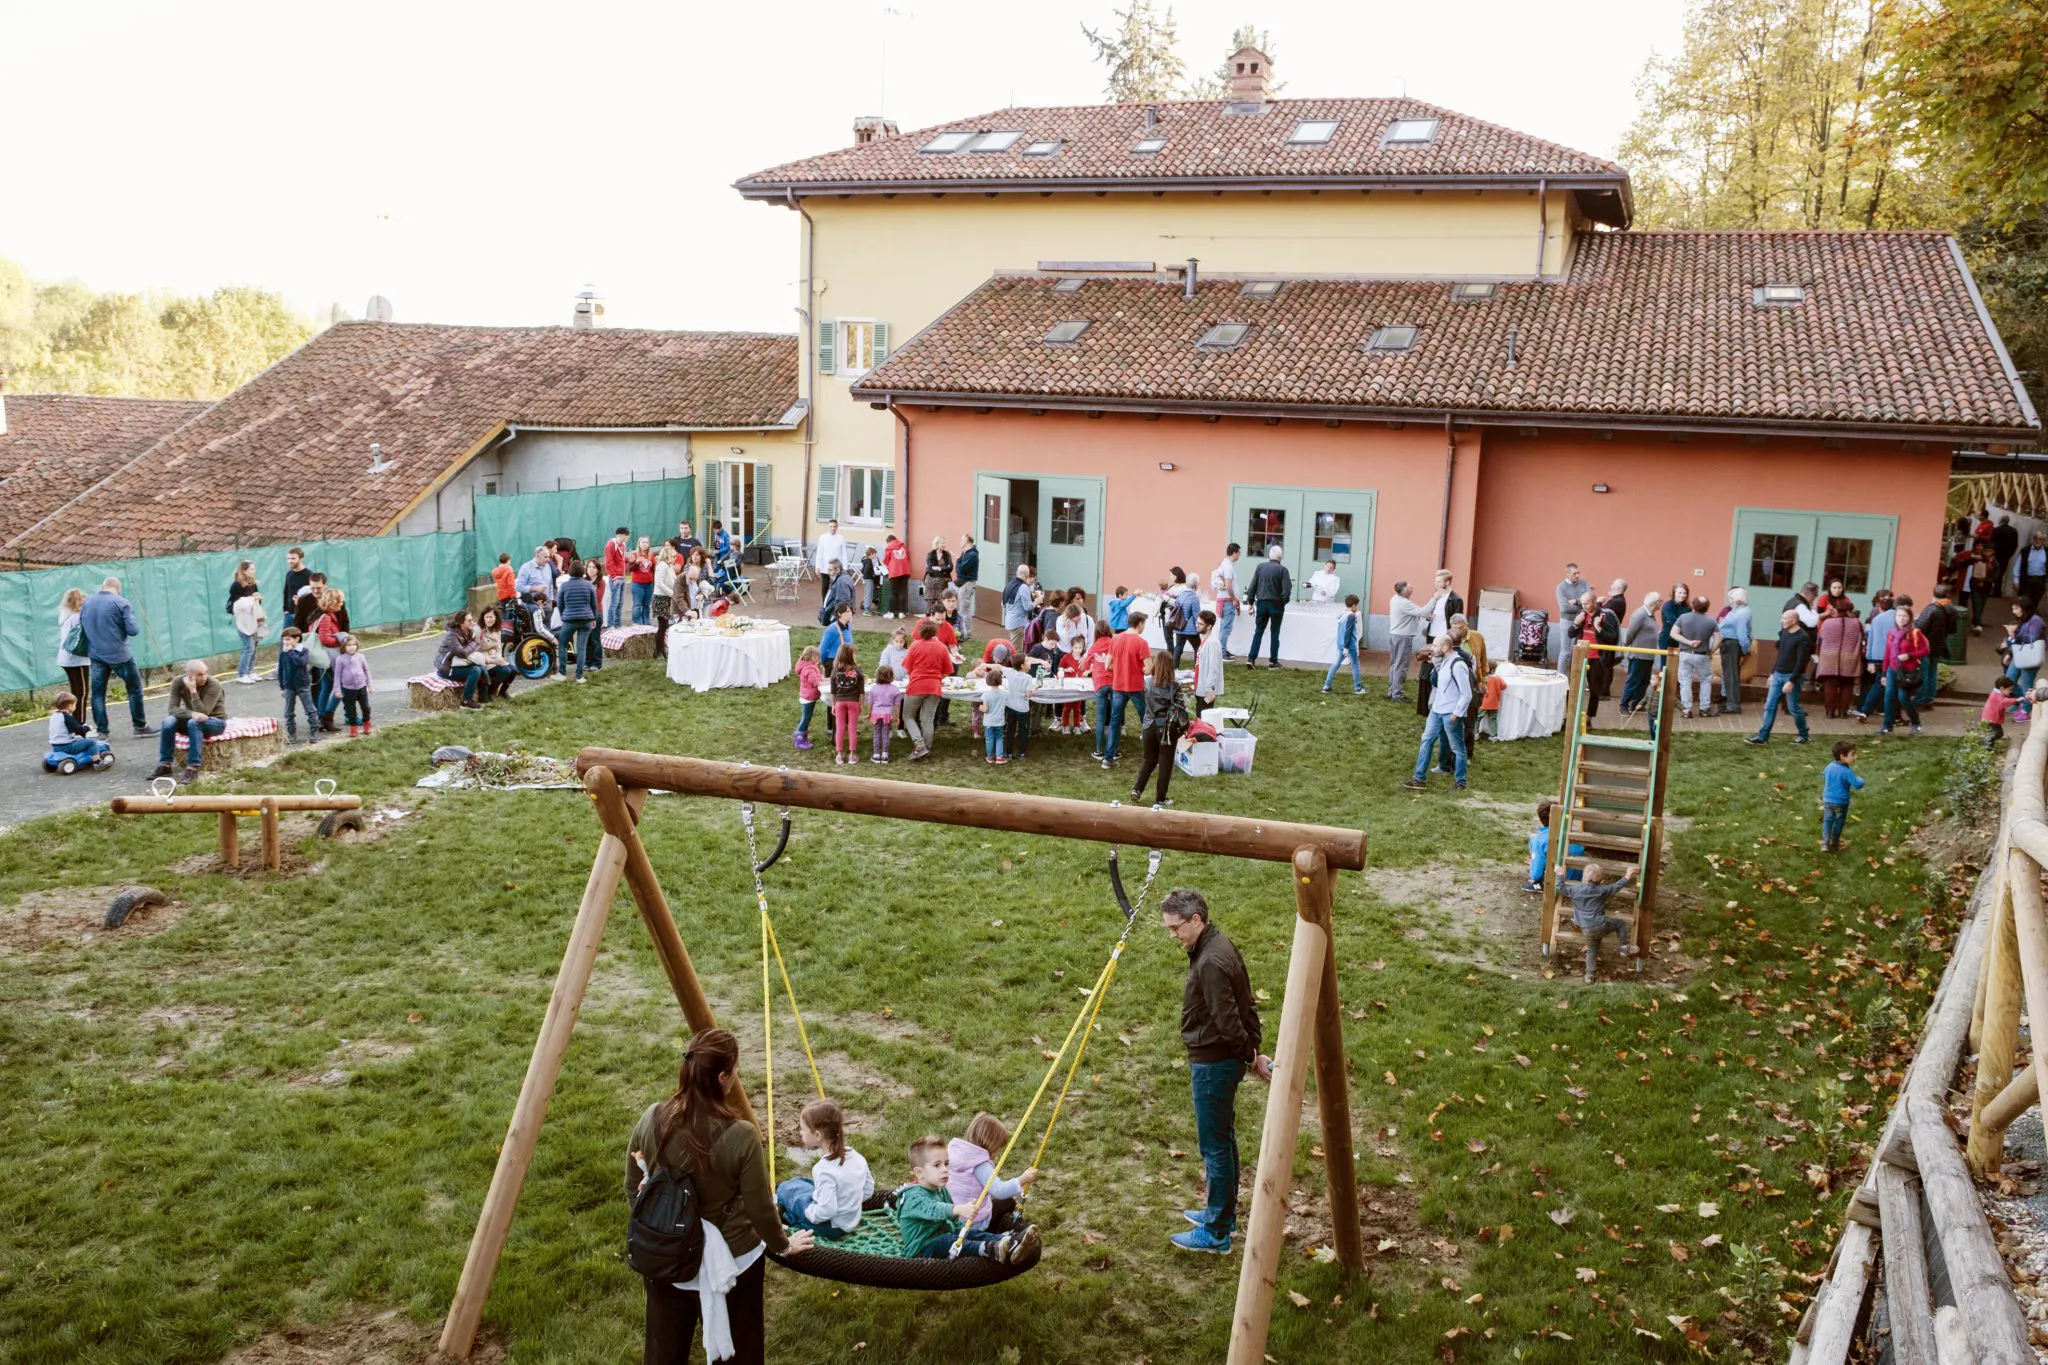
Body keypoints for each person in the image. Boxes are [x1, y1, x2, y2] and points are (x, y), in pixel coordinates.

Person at [629, 1029, 813, 1365]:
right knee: (740, 1353)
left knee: (663, 1353)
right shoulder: (741, 1135)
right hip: (733, 1261)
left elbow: (633, 1187)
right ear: (724, 1077)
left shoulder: (652, 1117)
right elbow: (760, 1210)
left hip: (666, 1257)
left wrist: (660, 1231)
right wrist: (784, 1245)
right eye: (736, 1071)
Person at [1161, 888, 1270, 1254]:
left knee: (1215, 1146)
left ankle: (1218, 1231)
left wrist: (1250, 1056)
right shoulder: (1218, 944)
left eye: (1176, 928)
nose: (1172, 936)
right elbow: (1244, 1004)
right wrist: (1251, 1051)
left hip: (1213, 1063)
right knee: (1223, 1139)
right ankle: (1221, 1214)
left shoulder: (1209, 961)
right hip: (1221, 1058)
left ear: (1196, 920)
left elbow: (1227, 1020)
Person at [898, 1136, 1033, 1263]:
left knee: (969, 1234)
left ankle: (1009, 1242)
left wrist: (963, 1231)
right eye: (937, 1165)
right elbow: (933, 1209)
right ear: (919, 1172)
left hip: (943, 1238)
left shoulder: (941, 1190)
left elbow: (953, 1222)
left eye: (946, 1163)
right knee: (948, 1240)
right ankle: (990, 1249)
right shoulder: (913, 1196)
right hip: (922, 1250)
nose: (945, 1169)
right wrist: (958, 1209)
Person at [774, 1098, 872, 1240]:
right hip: (850, 1221)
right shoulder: (856, 1156)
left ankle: (789, 1216)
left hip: (830, 1227)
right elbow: (868, 1189)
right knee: (800, 1182)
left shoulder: (823, 1169)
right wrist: (849, 1202)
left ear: (817, 1135)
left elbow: (827, 1210)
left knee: (786, 1190)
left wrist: (809, 1212)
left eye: (802, 1129)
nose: (800, 1132)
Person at [947, 1113, 1039, 1236]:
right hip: (971, 1222)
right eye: (998, 1148)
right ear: (989, 1144)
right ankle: (997, 1232)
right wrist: (1022, 1179)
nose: (997, 1153)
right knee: (1009, 1203)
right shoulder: (980, 1164)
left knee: (994, 1202)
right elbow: (998, 1190)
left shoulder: (954, 1152)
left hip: (950, 1216)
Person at [81, 576, 149, 739]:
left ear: (102, 586)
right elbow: (133, 630)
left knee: (98, 694)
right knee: (134, 689)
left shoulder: (87, 602)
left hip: (96, 654)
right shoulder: (121, 602)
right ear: (118, 588)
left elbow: (82, 626)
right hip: (120, 654)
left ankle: (102, 730)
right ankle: (139, 726)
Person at [1403, 635, 1472, 791]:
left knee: (1457, 748)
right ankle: (1419, 778)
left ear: (1446, 648)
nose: (1432, 649)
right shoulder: (1444, 661)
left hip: (1450, 713)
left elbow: (1466, 694)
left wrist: (1456, 714)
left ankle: (1460, 782)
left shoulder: (1458, 664)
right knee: (1426, 741)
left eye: (1435, 646)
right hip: (1436, 711)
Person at [150, 659, 227, 782]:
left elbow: (204, 713)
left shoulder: (214, 685)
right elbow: (172, 709)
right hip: (193, 719)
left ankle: (193, 768)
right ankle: (165, 765)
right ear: (189, 676)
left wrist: (193, 691)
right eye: (200, 674)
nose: (204, 677)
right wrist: (191, 713)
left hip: (215, 722)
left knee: (194, 723)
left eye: (206, 673)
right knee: (168, 721)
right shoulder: (178, 682)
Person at [1746, 610, 1814, 745]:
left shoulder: (1803, 637)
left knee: (1793, 708)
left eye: (1784, 618)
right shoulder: (1784, 633)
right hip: (1778, 675)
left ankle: (1803, 735)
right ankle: (1762, 737)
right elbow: (1781, 656)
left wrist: (1791, 681)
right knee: (1769, 706)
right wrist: (1772, 673)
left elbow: (1802, 662)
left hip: (1792, 677)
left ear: (1794, 621)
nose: (1781, 620)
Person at [1563, 862, 1637, 983]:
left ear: (1583, 877)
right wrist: (1628, 875)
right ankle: (1624, 948)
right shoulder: (1602, 890)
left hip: (1585, 928)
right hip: (1600, 924)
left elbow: (1561, 888)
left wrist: (1560, 874)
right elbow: (1616, 887)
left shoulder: (1574, 890)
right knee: (1620, 924)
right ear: (1601, 881)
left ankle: (1589, 975)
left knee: (1592, 948)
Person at [1130, 649, 1184, 808]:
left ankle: (1137, 789)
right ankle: (1160, 798)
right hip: (1166, 730)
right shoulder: (1174, 687)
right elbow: (1181, 709)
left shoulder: (1147, 682)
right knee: (1165, 762)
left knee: (1149, 760)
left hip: (1148, 726)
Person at [1103, 610, 1152, 768]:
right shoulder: (1142, 643)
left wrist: (1120, 668)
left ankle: (1108, 758)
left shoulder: (1115, 639)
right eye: (1144, 623)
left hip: (1118, 686)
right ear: (1140, 624)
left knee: (1115, 721)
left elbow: (1107, 665)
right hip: (1136, 687)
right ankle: (1151, 755)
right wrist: (1137, 670)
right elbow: (1149, 669)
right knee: (1146, 720)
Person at [901, 620, 952, 761]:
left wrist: (914, 676)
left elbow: (908, 667)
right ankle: (926, 749)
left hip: (916, 685)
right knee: (927, 719)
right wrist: (937, 678)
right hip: (934, 687)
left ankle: (919, 745)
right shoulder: (942, 648)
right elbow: (948, 670)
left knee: (908, 716)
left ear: (920, 632)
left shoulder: (915, 646)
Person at [1878, 604, 1929, 735]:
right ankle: (1887, 726)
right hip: (1892, 669)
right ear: (1895, 618)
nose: (1901, 619)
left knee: (1903, 698)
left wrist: (1910, 655)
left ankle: (1916, 723)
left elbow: (1926, 650)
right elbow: (1887, 654)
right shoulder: (1891, 633)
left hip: (1908, 670)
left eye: (1905, 616)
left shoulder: (1915, 633)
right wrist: (1884, 673)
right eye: (1899, 616)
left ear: (1910, 618)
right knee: (1888, 697)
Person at [1671, 592, 1720, 719]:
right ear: (1707, 607)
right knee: (1706, 680)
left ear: (1693, 605)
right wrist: (1711, 651)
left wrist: (1688, 642)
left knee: (1685, 681)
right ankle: (1704, 709)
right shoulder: (1711, 621)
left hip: (1685, 653)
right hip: (1702, 655)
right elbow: (1719, 639)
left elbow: (1673, 633)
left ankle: (1686, 709)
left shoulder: (1683, 617)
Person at [1815, 601, 1866, 719]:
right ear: (1850, 610)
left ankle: (1830, 712)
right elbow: (1863, 638)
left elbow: (1821, 639)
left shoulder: (1827, 623)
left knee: (1830, 685)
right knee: (1847, 685)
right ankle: (1843, 712)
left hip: (1829, 657)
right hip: (1849, 657)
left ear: (1836, 610)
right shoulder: (1857, 623)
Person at [1523, 799, 1584, 894]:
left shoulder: (1539, 840)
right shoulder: (1573, 836)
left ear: (1541, 819)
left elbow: (1535, 875)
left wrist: (1533, 865)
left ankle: (1539, 884)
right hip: (1577, 882)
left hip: (1558, 882)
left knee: (1538, 861)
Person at [1245, 545, 1291, 668]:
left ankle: (1251, 658)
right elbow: (1286, 591)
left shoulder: (1260, 567)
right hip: (1276, 603)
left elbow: (1253, 585)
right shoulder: (1283, 570)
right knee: (1274, 633)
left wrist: (1250, 601)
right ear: (1281, 557)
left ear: (1269, 555)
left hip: (1261, 602)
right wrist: (1283, 602)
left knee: (1258, 631)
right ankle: (1273, 661)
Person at [1617, 591, 1663, 715]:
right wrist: (1627, 645)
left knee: (1643, 682)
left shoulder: (1651, 615)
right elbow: (1630, 633)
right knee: (1633, 681)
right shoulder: (1640, 614)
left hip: (1648, 655)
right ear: (1655, 603)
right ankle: (1623, 705)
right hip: (1639, 654)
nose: (1661, 603)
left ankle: (1636, 704)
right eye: (1660, 601)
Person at [555, 564, 601, 683]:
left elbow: (559, 604)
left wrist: (563, 615)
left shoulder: (564, 586)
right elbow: (594, 604)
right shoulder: (589, 585)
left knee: (562, 645)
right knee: (581, 647)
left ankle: (562, 672)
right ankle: (579, 676)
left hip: (569, 619)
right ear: (583, 572)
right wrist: (594, 618)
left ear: (570, 572)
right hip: (586, 619)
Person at [434, 611, 488, 709]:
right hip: (446, 668)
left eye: (472, 619)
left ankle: (483, 697)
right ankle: (466, 701)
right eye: (469, 620)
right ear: (461, 623)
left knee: (481, 667)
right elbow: (462, 653)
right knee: (475, 670)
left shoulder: (470, 632)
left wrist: (473, 645)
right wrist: (474, 644)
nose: (473, 622)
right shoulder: (451, 635)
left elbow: (476, 647)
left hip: (458, 663)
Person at [1385, 580, 1429, 702]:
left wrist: (1422, 615)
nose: (1412, 589)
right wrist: (1434, 599)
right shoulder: (1404, 603)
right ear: (1404, 591)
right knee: (1401, 666)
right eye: (1409, 587)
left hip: (1395, 635)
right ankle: (1397, 694)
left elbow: (1413, 613)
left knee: (1394, 664)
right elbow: (1422, 611)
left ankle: (1392, 691)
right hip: (1403, 637)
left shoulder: (1395, 599)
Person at [1915, 589, 1957, 709]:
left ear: (1933, 595)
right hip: (1939, 646)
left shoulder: (1931, 608)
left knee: (1924, 673)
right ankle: (1929, 700)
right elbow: (1953, 630)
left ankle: (1920, 700)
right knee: (1932, 673)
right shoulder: (1952, 609)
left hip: (1926, 646)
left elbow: (1919, 627)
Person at [1820, 741, 1865, 853]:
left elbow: (1824, 776)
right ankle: (1834, 843)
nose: (1855, 757)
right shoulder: (1846, 771)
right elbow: (1857, 785)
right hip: (1841, 802)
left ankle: (1825, 844)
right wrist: (1861, 780)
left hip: (1827, 800)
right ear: (1842, 756)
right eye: (1853, 754)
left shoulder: (1829, 766)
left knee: (1828, 820)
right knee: (1839, 821)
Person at [277, 627, 318, 743]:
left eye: (288, 639)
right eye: (283, 639)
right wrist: (282, 687)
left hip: (303, 685)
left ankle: (314, 732)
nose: (285, 642)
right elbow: (281, 671)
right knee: (288, 712)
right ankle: (292, 734)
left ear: (297, 639)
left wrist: (290, 652)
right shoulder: (283, 654)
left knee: (310, 710)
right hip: (289, 686)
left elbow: (300, 662)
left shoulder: (303, 650)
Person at [47, 693, 108, 769]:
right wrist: (87, 728)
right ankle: (98, 762)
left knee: (78, 738)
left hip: (56, 746)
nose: (75, 706)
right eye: (75, 704)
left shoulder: (54, 716)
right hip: (67, 746)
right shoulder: (67, 717)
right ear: (70, 706)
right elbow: (78, 729)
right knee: (91, 742)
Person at [1718, 588, 1753, 715]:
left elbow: (1742, 634)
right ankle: (1730, 702)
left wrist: (1744, 649)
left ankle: (1733, 705)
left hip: (1733, 644)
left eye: (1731, 598)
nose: (1729, 601)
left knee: (1731, 675)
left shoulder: (1742, 613)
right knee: (1729, 675)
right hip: (1730, 644)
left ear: (1738, 600)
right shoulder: (1737, 610)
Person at [828, 645, 864, 766]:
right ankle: (852, 755)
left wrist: (833, 704)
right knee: (852, 728)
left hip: (839, 703)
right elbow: (861, 691)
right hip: (853, 702)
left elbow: (832, 691)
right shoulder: (858, 671)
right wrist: (861, 705)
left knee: (840, 728)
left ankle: (839, 754)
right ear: (851, 656)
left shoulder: (834, 671)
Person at [332, 634, 375, 735]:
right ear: (343, 647)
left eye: (353, 645)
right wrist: (337, 690)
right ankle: (353, 728)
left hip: (361, 687)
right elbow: (337, 676)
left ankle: (366, 724)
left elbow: (366, 670)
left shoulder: (361, 657)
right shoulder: (340, 659)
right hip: (348, 689)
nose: (351, 647)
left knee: (366, 708)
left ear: (357, 645)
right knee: (351, 710)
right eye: (348, 645)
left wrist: (369, 685)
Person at [56, 586, 91, 702]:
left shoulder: (65, 615)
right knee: (82, 693)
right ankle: (79, 720)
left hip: (65, 658)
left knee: (75, 692)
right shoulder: (77, 617)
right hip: (77, 659)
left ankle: (72, 718)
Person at [1324, 594, 1364, 694]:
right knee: (1355, 664)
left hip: (1341, 644)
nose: (1357, 608)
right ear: (1353, 605)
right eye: (1357, 606)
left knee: (1336, 664)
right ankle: (1358, 688)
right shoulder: (1351, 616)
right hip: (1349, 646)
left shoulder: (1343, 614)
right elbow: (1348, 632)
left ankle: (1326, 686)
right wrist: (1347, 647)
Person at [471, 611, 515, 702]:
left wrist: (499, 659)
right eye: (487, 617)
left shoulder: (497, 630)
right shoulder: (478, 629)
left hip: (494, 657)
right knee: (505, 671)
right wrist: (494, 660)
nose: (489, 619)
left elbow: (498, 648)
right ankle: (490, 691)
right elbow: (475, 649)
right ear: (483, 618)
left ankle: (503, 692)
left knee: (513, 670)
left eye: (491, 617)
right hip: (483, 659)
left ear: (496, 618)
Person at [1166, 568, 1203, 666]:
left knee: (1178, 648)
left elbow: (1176, 605)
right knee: (1197, 648)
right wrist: (1199, 627)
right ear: (1195, 584)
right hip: (1191, 629)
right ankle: (1197, 667)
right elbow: (1197, 615)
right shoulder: (1194, 598)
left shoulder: (1181, 595)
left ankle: (1174, 668)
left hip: (1180, 627)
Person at [1555, 562, 1589, 666]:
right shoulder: (1561, 587)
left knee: (1578, 652)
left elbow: (1589, 599)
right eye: (1575, 573)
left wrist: (1576, 601)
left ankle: (1574, 679)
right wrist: (1581, 605)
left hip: (1581, 621)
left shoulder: (1584, 583)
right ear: (1567, 574)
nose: (1578, 575)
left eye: (1578, 573)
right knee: (1565, 653)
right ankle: (1561, 678)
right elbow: (1564, 608)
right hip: (1567, 621)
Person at [1211, 544, 1241, 660]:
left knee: (1224, 626)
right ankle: (1222, 652)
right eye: (1239, 553)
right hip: (1228, 600)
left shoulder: (1225, 565)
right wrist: (1234, 599)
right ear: (1234, 553)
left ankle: (1222, 649)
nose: (1239, 555)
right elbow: (1229, 585)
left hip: (1225, 599)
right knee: (1226, 627)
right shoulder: (1228, 566)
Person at [791, 645, 824, 752]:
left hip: (808, 696)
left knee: (807, 718)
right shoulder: (809, 669)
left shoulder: (808, 666)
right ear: (811, 657)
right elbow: (815, 682)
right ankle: (799, 740)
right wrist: (823, 681)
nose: (818, 659)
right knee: (806, 719)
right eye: (816, 658)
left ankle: (802, 738)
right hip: (808, 697)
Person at [974, 665, 1010, 764]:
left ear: (988, 680)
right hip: (1000, 721)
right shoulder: (1004, 693)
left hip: (989, 722)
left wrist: (980, 707)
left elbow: (985, 709)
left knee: (989, 739)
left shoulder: (986, 695)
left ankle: (990, 757)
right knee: (999, 738)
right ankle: (999, 757)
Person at [867, 664, 903, 764]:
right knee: (886, 734)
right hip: (888, 714)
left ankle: (876, 754)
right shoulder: (895, 689)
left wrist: (869, 713)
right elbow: (897, 704)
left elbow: (870, 702)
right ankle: (885, 754)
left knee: (877, 733)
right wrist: (897, 716)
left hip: (876, 713)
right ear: (891, 676)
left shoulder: (874, 688)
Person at [1193, 609, 1224, 717]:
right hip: (1200, 686)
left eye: (1201, 624)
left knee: (1204, 718)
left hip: (1206, 689)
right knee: (1199, 716)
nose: (1197, 626)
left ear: (1209, 626)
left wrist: (1208, 688)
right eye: (1197, 622)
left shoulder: (1213, 643)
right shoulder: (1205, 640)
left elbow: (1213, 668)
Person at [813, 519, 849, 604]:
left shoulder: (841, 538)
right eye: (831, 526)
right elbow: (819, 553)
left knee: (836, 586)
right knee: (825, 586)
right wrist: (817, 566)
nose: (833, 528)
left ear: (837, 527)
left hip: (837, 567)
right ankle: (825, 603)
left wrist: (845, 567)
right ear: (828, 527)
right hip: (825, 566)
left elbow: (844, 553)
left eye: (834, 526)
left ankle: (835, 603)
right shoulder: (823, 537)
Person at [1001, 564, 1037, 646]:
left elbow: (1003, 604)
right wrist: (1036, 602)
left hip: (1010, 620)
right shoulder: (1023, 587)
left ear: (1017, 573)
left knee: (1014, 647)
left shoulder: (1009, 584)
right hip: (1019, 624)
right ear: (1026, 576)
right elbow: (1028, 607)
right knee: (1016, 651)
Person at [603, 527, 631, 628]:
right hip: (616, 578)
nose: (628, 537)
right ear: (622, 535)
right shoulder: (611, 545)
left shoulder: (623, 545)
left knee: (620, 602)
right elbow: (608, 562)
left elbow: (621, 559)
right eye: (627, 535)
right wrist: (614, 577)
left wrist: (629, 559)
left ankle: (618, 624)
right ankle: (611, 625)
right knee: (614, 602)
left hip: (622, 577)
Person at [1984, 676, 2024, 747]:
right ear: (2002, 688)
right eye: (2009, 689)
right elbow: (2004, 702)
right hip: (1991, 719)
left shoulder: (1997, 693)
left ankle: (1988, 745)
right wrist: (2016, 700)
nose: (2011, 691)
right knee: (1996, 733)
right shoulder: (1996, 695)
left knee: (1998, 733)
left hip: (1992, 718)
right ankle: (1987, 744)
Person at [953, 532, 979, 639]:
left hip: (967, 584)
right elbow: (959, 571)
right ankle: (961, 631)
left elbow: (961, 570)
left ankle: (966, 633)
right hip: (963, 583)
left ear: (967, 540)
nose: (960, 541)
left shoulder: (972, 555)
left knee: (964, 609)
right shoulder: (966, 553)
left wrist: (958, 560)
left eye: (961, 539)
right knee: (960, 608)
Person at [922, 536, 953, 615]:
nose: (944, 545)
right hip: (931, 582)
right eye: (942, 543)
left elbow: (950, 568)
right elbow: (929, 569)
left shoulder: (947, 554)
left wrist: (939, 568)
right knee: (930, 604)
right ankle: (929, 621)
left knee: (941, 603)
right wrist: (943, 569)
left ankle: (940, 621)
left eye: (944, 543)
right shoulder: (930, 554)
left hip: (942, 583)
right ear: (937, 544)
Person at [2021, 532, 2048, 613]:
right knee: (2026, 600)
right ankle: (2024, 616)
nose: (2038, 541)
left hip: (2040, 580)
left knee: (2035, 600)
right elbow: (2018, 565)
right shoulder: (2025, 550)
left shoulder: (2047, 552)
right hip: (2027, 579)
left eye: (2040, 539)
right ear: (2033, 539)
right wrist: (2015, 579)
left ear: (2044, 541)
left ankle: (2030, 616)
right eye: (2036, 538)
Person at [1995, 516, 2021, 597]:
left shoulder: (1996, 530)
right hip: (2006, 556)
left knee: (1994, 572)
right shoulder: (2014, 531)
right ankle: (1997, 592)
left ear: (2001, 520)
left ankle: (1992, 591)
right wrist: (2010, 555)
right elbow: (2015, 545)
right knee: (2001, 574)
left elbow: (1991, 542)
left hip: (1996, 554)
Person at [1657, 584, 1689, 650]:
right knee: (1666, 660)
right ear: (1674, 593)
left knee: (1677, 660)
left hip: (1681, 640)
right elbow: (1674, 621)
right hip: (1668, 640)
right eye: (1680, 593)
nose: (1682, 595)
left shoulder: (1687, 607)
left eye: (1685, 593)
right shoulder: (1668, 605)